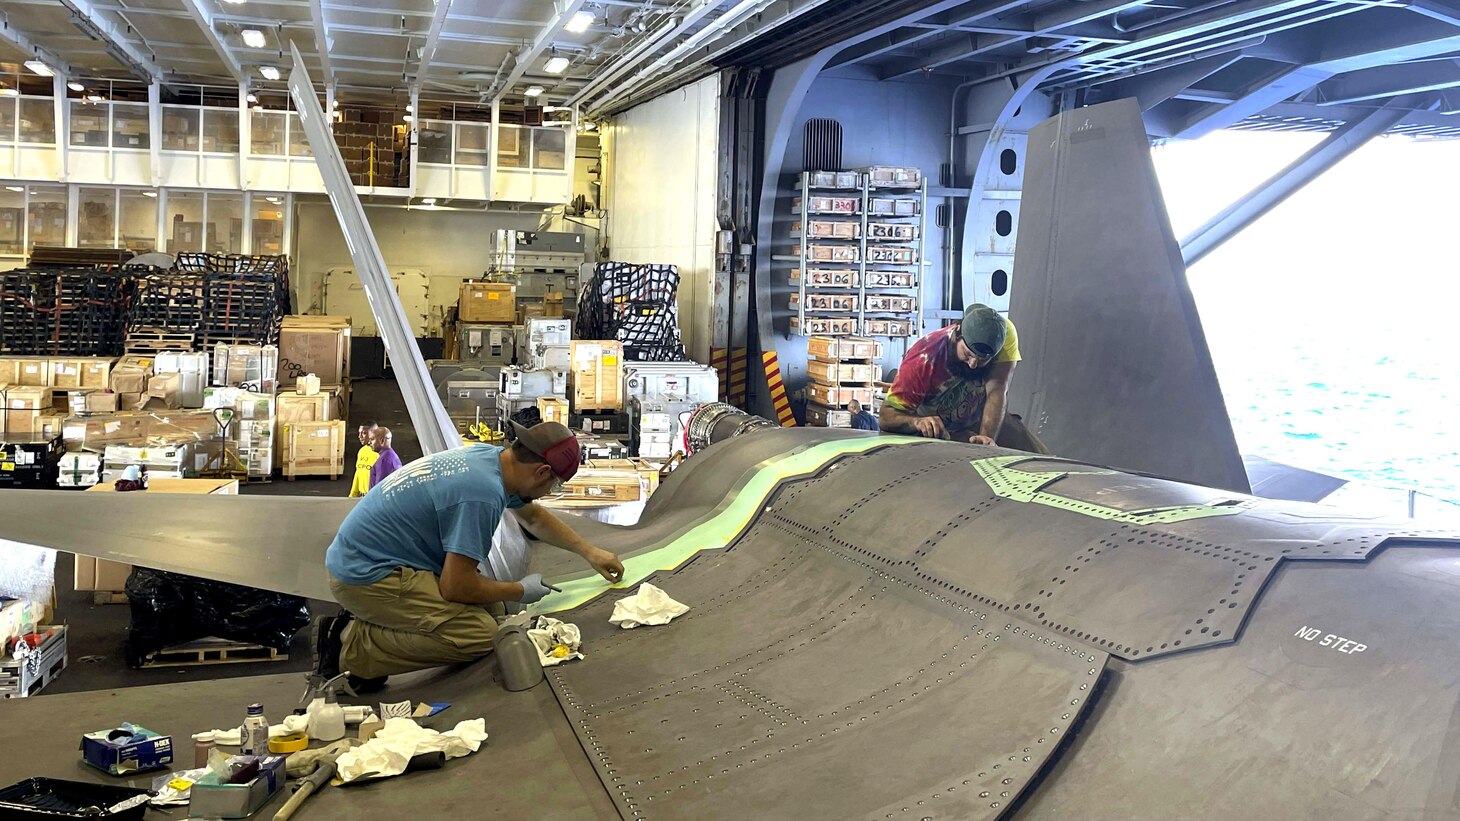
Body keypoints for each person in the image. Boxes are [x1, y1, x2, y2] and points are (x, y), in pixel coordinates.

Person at [314, 421, 624, 690]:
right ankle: (348, 644)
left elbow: (533, 517)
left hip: (373, 556)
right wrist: (520, 589)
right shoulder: (482, 493)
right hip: (366, 576)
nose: (548, 492)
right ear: (542, 471)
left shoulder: (492, 459)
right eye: (554, 486)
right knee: (481, 634)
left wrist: (590, 552)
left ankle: (376, 630)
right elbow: (456, 587)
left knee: (492, 607)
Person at [880, 303, 1024, 445]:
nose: (973, 364)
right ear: (957, 334)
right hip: (938, 432)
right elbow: (886, 416)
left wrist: (985, 440)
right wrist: (917, 422)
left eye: (982, 360)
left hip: (979, 419)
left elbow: (997, 389)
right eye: (967, 354)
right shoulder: (924, 358)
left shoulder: (1004, 335)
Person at [348, 422, 378, 498]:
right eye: (359, 433)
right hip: (362, 497)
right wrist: (352, 495)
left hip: (373, 498)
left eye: (364, 433)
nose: (360, 436)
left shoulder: (380, 454)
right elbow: (358, 473)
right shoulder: (362, 451)